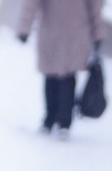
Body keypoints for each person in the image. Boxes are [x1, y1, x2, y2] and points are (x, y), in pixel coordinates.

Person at [16, 0, 105, 138]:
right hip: (59, 33)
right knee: (56, 77)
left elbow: (94, 6)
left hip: (71, 33)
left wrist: (98, 33)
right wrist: (24, 28)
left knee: (63, 77)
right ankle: (55, 120)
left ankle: (58, 120)